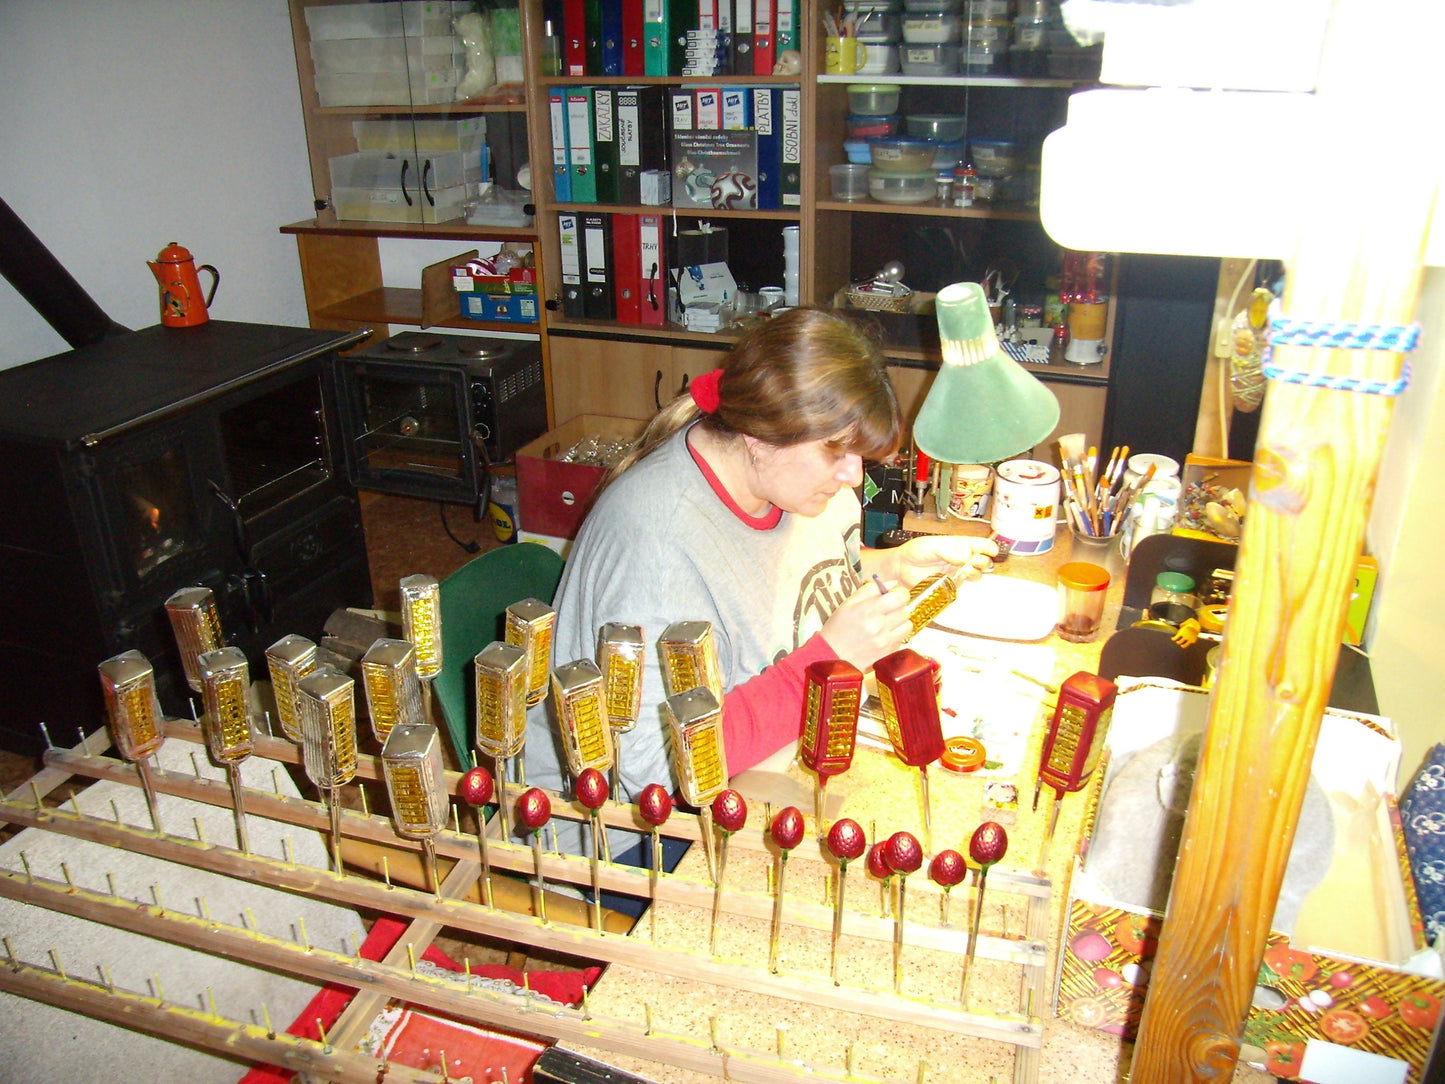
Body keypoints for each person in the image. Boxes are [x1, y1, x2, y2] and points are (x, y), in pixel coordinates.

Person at [523, 307, 997, 821]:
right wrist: (826, 661)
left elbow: (772, 579)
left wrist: (889, 566)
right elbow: (654, 769)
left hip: (761, 765)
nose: (855, 476)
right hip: (632, 837)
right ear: (758, 433)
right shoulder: (655, 548)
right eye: (837, 453)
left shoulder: (795, 483)